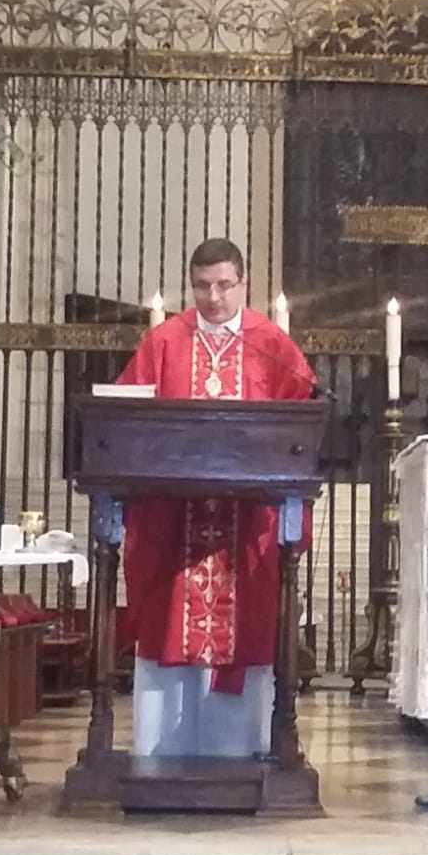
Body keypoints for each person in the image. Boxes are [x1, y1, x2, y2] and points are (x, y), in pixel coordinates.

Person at [116, 239, 317, 759]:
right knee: (167, 624)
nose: (213, 297)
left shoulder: (272, 345)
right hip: (173, 524)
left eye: (225, 285)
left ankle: (240, 752)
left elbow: (302, 429)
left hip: (244, 525)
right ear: (191, 286)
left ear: (243, 284)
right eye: (203, 286)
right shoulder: (163, 343)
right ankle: (163, 753)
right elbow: (126, 419)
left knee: (245, 627)